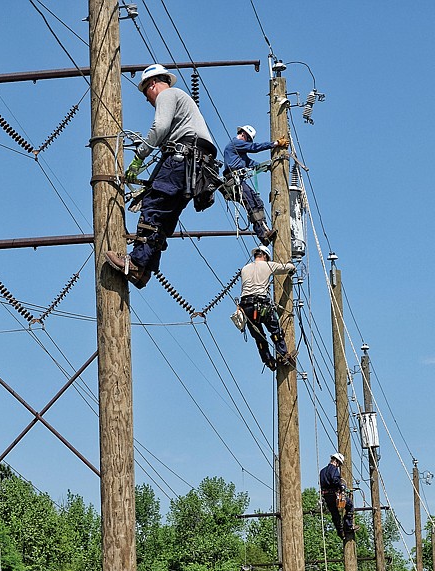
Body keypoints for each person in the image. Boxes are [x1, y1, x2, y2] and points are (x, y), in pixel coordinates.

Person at [105, 64, 217, 289]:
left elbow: (160, 126)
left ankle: (136, 263)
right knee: (164, 220)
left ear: (152, 84)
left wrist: (140, 156)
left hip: (182, 158)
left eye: (146, 93)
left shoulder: (168, 93)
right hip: (195, 165)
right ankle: (143, 270)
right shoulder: (185, 104)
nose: (147, 100)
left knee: (154, 205)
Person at [223, 125, 289, 246]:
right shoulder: (235, 143)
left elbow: (249, 163)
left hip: (239, 181)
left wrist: (268, 166)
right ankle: (263, 234)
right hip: (234, 181)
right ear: (244, 135)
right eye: (248, 139)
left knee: (258, 202)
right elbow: (254, 147)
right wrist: (275, 143)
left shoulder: (239, 152)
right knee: (252, 205)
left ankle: (265, 232)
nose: (248, 142)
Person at [239, 245, 296, 371]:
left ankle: (268, 360)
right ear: (265, 256)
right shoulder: (268, 265)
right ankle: (283, 355)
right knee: (275, 331)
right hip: (261, 305)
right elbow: (286, 268)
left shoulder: (244, 269)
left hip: (246, 308)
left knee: (259, 337)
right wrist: (292, 267)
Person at [319, 452, 357, 540]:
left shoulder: (322, 471)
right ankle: (348, 526)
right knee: (350, 505)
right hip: (334, 495)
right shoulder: (333, 469)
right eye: (339, 464)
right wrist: (341, 485)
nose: (338, 466)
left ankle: (340, 532)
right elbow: (334, 479)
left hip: (326, 496)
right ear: (336, 461)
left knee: (335, 514)